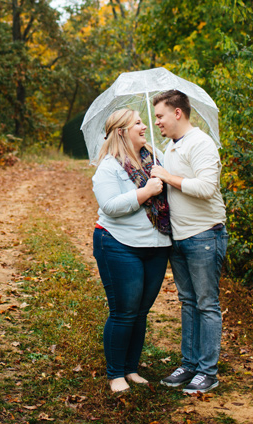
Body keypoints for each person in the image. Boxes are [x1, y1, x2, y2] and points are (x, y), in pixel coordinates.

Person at [150, 89, 227, 394]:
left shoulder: (201, 143)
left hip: (204, 235)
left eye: (160, 116)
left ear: (177, 113)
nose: (156, 122)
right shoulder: (170, 147)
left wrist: (167, 177)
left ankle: (208, 372)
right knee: (188, 302)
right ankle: (189, 364)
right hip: (179, 238)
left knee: (207, 304)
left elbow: (207, 188)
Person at [91, 109, 172, 393]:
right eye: (137, 122)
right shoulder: (109, 167)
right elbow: (110, 206)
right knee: (124, 311)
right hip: (118, 244)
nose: (145, 125)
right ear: (122, 131)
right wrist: (146, 191)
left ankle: (130, 369)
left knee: (140, 312)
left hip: (156, 246)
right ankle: (115, 374)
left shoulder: (156, 158)